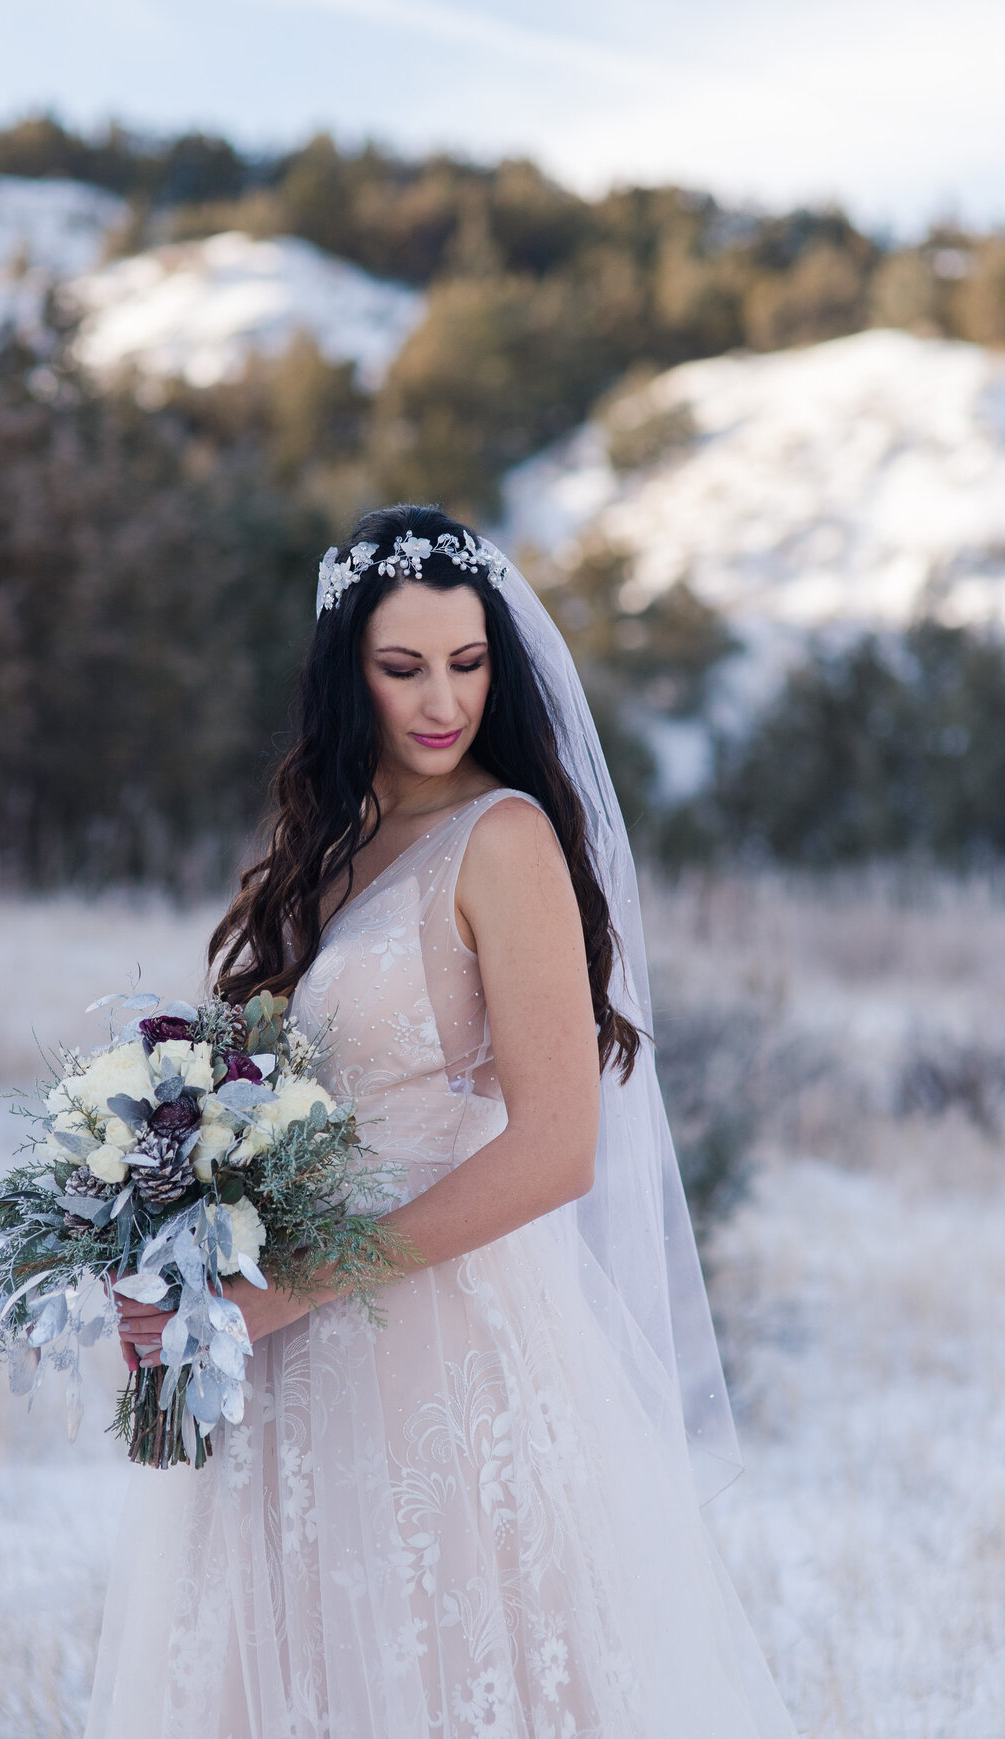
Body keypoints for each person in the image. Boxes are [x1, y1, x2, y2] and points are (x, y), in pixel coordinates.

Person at [88, 503, 797, 1738]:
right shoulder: (331, 843)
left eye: (468, 665)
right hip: (283, 1351)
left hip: (432, 1341)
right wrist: (172, 1247)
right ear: (343, 672)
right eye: (402, 666)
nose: (441, 702)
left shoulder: (503, 839)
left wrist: (293, 1291)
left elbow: (555, 1147)